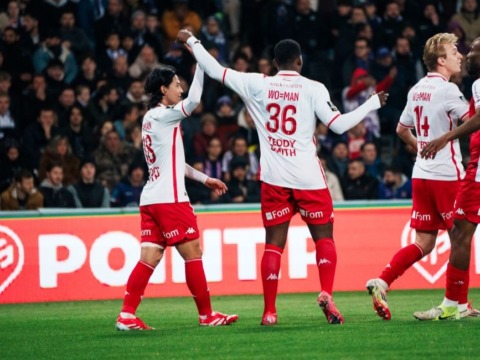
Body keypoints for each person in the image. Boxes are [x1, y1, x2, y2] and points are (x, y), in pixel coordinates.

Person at [177, 29, 387, 325]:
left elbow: (213, 69)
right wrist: (372, 104)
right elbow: (338, 126)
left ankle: (269, 312)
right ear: (299, 61)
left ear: (274, 63)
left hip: (274, 179)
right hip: (309, 178)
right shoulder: (314, 88)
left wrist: (191, 41)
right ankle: (326, 292)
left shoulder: (256, 83)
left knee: (274, 244)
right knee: (324, 239)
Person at [116, 64, 238, 331]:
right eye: (176, 84)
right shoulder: (162, 116)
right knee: (193, 252)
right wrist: (203, 66)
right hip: (170, 199)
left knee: (149, 256)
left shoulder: (152, 118)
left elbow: (175, 163)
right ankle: (207, 315)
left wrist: (205, 179)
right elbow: (194, 101)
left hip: (151, 199)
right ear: (163, 90)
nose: (181, 89)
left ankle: (126, 315)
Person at [366, 33, 476, 321]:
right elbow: (472, 123)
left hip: (421, 175)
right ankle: (459, 304)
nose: (460, 55)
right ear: (441, 60)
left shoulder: (416, 89)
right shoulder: (450, 91)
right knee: (461, 239)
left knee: (424, 243)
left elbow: (402, 129)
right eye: (454, 52)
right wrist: (442, 141)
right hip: (446, 176)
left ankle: (382, 280)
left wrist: (421, 147)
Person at [414, 36, 480, 320]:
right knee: (460, 233)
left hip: (477, 172)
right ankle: (459, 305)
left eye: (474, 50)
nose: (467, 55)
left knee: (460, 233)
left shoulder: (478, 84)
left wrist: (446, 137)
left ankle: (453, 304)